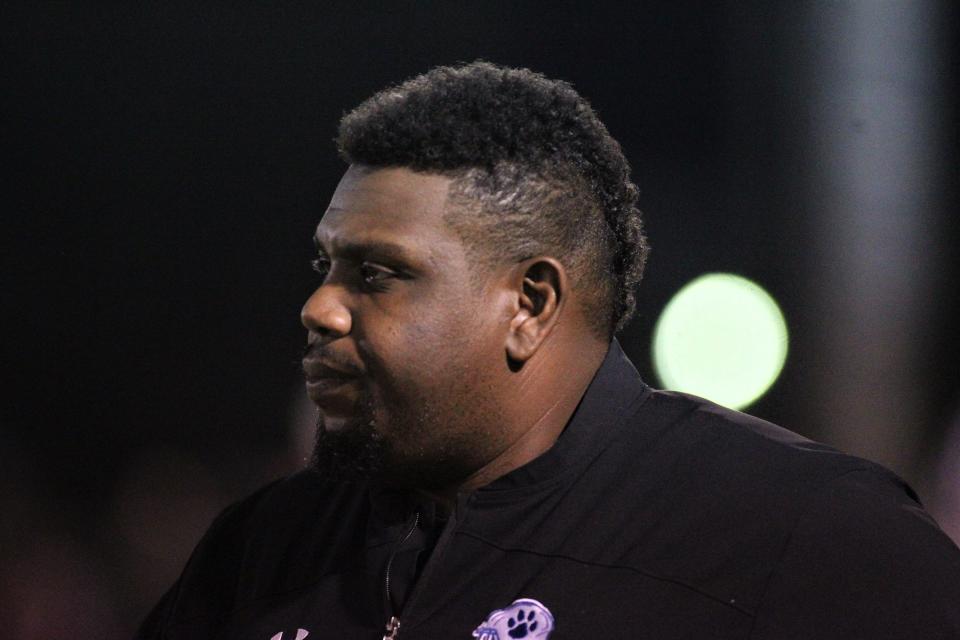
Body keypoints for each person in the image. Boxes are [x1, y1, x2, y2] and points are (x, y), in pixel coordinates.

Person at [136, 62, 960, 640]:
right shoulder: (265, 546)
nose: (319, 308)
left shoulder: (806, 536)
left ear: (529, 304)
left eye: (377, 275)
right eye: (327, 267)